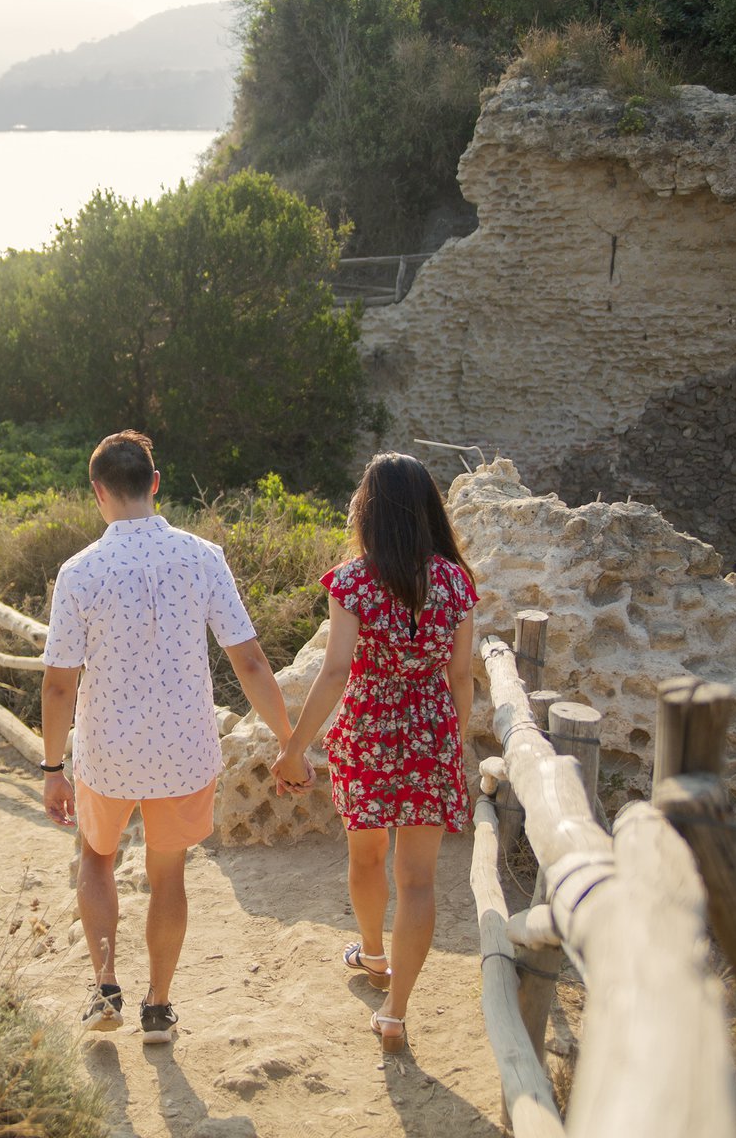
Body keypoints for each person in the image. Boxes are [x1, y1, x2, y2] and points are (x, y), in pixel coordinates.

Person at [40, 429, 309, 1046]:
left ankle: (105, 988)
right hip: (184, 751)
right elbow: (250, 661)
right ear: (155, 484)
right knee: (169, 876)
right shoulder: (203, 557)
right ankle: (158, 1008)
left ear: (97, 491)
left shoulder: (80, 572)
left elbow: (58, 685)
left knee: (97, 859)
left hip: (107, 752)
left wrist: (53, 768)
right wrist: (288, 743)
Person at [272, 452, 477, 1053]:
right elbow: (460, 675)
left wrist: (294, 749)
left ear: (368, 510)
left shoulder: (352, 581)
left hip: (367, 729)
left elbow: (336, 670)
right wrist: (451, 742)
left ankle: (373, 953)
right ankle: (396, 1011)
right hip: (430, 731)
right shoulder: (456, 581)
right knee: (418, 881)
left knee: (366, 856)